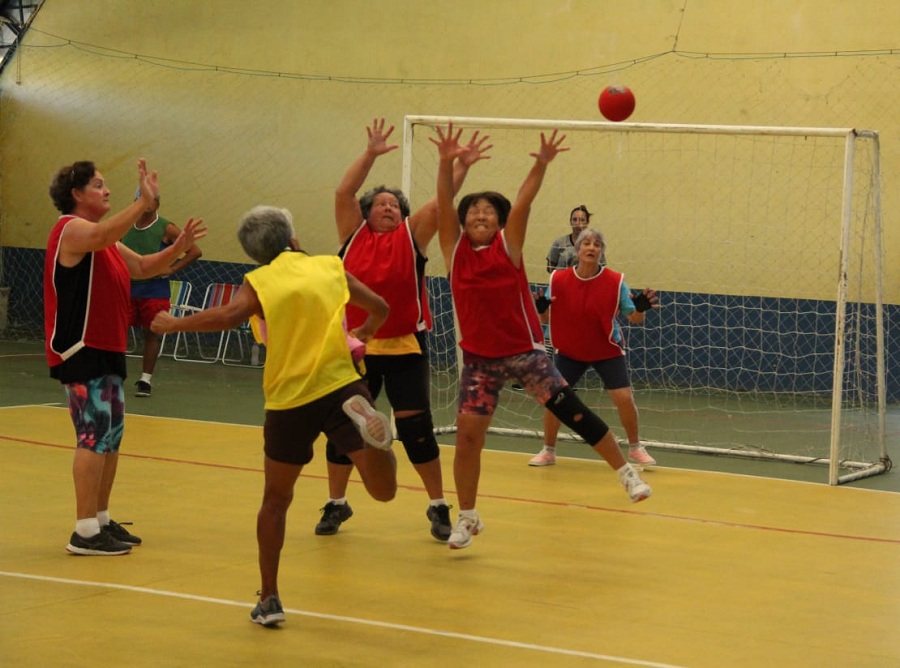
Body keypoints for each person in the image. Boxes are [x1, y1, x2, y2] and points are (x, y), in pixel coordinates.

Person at [151, 205, 399, 627]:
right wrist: (366, 331)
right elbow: (380, 306)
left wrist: (174, 323)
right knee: (383, 491)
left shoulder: (260, 281)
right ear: (293, 238)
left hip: (290, 400)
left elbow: (228, 316)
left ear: (254, 253)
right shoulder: (329, 266)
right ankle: (374, 433)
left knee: (276, 500)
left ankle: (269, 598)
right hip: (342, 385)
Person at [433, 124, 652, 550]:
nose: (480, 215)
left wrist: (541, 165)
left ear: (498, 222)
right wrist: (445, 164)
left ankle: (627, 473)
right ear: (463, 222)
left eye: (488, 211)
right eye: (473, 210)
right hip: (478, 361)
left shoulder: (507, 248)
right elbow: (442, 205)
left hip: (523, 355)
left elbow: (523, 204)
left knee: (573, 411)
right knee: (467, 438)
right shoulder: (453, 251)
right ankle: (467, 516)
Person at [315, 117, 490, 542]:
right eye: (381, 203)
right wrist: (372, 154)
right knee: (345, 429)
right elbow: (342, 191)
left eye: (395, 203)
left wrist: (458, 164)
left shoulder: (412, 236)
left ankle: (437, 505)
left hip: (405, 346)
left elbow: (442, 200)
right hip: (355, 348)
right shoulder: (350, 235)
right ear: (367, 211)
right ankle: (337, 503)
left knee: (416, 430)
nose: (389, 207)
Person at [44, 159, 206, 556]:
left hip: (109, 346)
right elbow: (100, 234)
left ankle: (99, 519)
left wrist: (178, 246)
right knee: (93, 435)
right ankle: (83, 532)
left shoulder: (108, 241)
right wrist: (143, 203)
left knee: (110, 438)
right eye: (98, 185)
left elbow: (143, 267)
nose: (106, 190)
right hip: (82, 348)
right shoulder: (72, 229)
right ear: (76, 194)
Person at [529, 228, 659, 467]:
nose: (591, 248)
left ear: (601, 251)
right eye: (586, 243)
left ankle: (635, 447)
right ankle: (548, 450)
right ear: (577, 250)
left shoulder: (615, 281)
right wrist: (541, 310)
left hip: (605, 350)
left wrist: (640, 309)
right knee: (554, 399)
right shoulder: (558, 280)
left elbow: (634, 319)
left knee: (623, 397)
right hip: (569, 351)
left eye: (597, 244)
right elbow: (544, 320)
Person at [121, 188, 202, 397]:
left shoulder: (166, 227)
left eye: (149, 200)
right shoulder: (124, 224)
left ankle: (145, 379)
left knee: (151, 333)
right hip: (126, 288)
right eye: (140, 199)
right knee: (117, 331)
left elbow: (194, 251)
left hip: (154, 290)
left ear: (156, 204)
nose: (144, 204)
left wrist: (172, 268)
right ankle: (112, 375)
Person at [546, 204, 598, 273]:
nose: (578, 223)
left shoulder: (594, 244)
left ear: (587, 222)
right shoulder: (559, 242)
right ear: (570, 222)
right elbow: (550, 268)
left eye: (582, 220)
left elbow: (600, 269)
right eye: (574, 220)